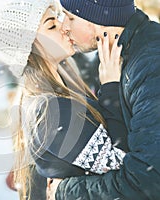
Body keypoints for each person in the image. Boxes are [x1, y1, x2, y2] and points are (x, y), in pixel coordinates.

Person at [0, 0, 128, 199]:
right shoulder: (50, 109)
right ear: (29, 49)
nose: (64, 27)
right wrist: (111, 86)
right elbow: (123, 166)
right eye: (52, 25)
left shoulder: (60, 93)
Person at [49, 0, 160, 199]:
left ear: (98, 18)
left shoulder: (150, 67)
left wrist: (66, 191)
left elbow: (147, 181)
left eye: (71, 17)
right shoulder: (120, 54)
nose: (64, 26)